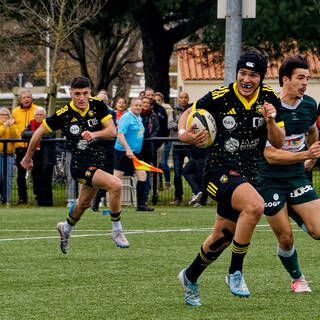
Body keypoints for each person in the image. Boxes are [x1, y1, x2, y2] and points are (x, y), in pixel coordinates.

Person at [177, 49, 285, 305]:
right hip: (218, 172)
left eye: (253, 75)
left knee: (222, 237)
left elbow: (278, 143)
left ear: (262, 77)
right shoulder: (220, 96)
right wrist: (184, 134)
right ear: (237, 73)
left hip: (248, 176)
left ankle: (190, 277)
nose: (247, 80)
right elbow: (188, 113)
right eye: (242, 73)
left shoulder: (270, 99)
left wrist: (270, 120)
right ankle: (235, 271)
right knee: (255, 205)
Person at [21, 76, 129, 252]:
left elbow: (111, 131)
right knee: (115, 185)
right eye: (77, 94)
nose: (81, 98)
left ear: (90, 93)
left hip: (97, 163)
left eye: (85, 93)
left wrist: (94, 135)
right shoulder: (64, 114)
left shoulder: (97, 105)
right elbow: (38, 132)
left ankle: (65, 228)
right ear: (70, 93)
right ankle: (117, 230)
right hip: (80, 165)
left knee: (83, 203)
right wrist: (28, 157)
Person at [257, 54, 320, 293]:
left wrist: (312, 156)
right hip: (270, 180)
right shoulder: (270, 108)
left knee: (319, 231)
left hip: (296, 177)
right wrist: (306, 155)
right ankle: (298, 278)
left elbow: (312, 131)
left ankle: (297, 211)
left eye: (308, 78)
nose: (305, 83)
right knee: (285, 239)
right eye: (300, 78)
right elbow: (271, 155)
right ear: (285, 79)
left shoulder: (309, 105)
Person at [113, 98, 153, 211]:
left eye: (140, 105)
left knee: (142, 176)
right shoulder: (126, 117)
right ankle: (97, 201)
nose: (138, 107)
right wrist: (128, 149)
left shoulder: (139, 118)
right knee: (115, 180)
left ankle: (140, 205)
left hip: (136, 154)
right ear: (131, 106)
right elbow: (120, 135)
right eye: (136, 105)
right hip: (123, 152)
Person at [22, 107, 56, 206]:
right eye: (37, 115)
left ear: (45, 116)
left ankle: (48, 203)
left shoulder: (49, 123)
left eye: (41, 115)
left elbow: (51, 134)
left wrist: (36, 135)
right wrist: (39, 134)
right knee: (37, 180)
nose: (39, 117)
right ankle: (40, 202)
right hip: (35, 156)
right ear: (34, 116)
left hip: (47, 157)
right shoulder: (31, 124)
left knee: (47, 181)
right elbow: (23, 134)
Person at [91, 90, 117, 211]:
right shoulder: (91, 114)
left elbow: (111, 130)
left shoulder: (111, 113)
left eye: (104, 101)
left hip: (108, 147)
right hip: (95, 147)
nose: (102, 102)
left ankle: (98, 198)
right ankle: (93, 199)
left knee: (108, 175)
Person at [12, 90, 39, 204]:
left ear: (31, 98)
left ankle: (39, 197)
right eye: (24, 98)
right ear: (20, 100)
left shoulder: (37, 110)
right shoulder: (15, 112)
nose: (26, 99)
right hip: (21, 147)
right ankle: (22, 198)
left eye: (28, 97)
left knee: (37, 173)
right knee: (21, 175)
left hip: (35, 147)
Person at [168, 92, 193, 205]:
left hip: (190, 144)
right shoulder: (174, 111)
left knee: (195, 170)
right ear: (178, 99)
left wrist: (179, 125)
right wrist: (183, 125)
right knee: (177, 173)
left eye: (185, 97)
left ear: (188, 99)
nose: (183, 99)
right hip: (177, 145)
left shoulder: (192, 110)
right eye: (181, 97)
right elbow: (169, 125)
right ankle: (178, 197)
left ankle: (197, 195)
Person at [140, 96, 159, 210]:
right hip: (137, 148)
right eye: (144, 102)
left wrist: (151, 138)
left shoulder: (153, 115)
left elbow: (157, 128)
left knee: (146, 175)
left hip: (148, 149)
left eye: (148, 102)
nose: (146, 104)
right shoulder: (137, 116)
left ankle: (144, 200)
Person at [0, 107, 19, 205]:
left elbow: (14, 136)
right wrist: (4, 126)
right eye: (2, 115)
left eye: (6, 115)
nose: (4, 117)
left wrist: (10, 126)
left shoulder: (13, 126)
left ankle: (6, 199)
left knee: (8, 178)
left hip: (9, 155)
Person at [154, 92, 172, 190]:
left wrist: (166, 138)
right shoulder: (154, 110)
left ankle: (168, 182)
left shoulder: (167, 110)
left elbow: (169, 125)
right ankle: (159, 184)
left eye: (159, 100)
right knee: (158, 163)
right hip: (157, 141)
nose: (157, 102)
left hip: (166, 139)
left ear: (162, 101)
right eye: (155, 100)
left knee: (164, 163)